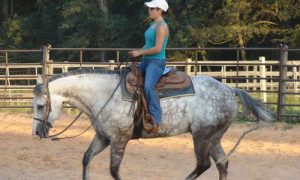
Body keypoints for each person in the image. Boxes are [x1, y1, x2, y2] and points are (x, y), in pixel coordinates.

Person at [128, 0, 169, 133]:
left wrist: (140, 53)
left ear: (160, 10)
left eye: (152, 9)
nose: (149, 10)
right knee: (129, 78)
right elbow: (148, 44)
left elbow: (157, 49)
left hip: (156, 62)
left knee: (148, 86)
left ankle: (156, 119)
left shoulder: (162, 26)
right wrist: (138, 51)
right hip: (146, 60)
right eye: (150, 9)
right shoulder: (153, 24)